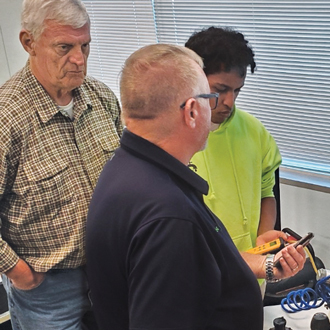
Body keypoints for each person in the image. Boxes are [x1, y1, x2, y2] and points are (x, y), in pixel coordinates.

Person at [85, 43, 305, 330]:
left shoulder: (130, 169)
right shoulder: (168, 216)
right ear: (191, 112)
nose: (221, 104)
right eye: (210, 97)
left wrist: (259, 262)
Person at [0, 0, 122, 329]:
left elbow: (127, 177)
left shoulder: (101, 98)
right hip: (47, 290)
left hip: (113, 272)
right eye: (64, 47)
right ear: (29, 43)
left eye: (85, 45)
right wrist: (17, 270)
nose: (79, 59)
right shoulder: (6, 118)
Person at [185, 27, 285, 252]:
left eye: (237, 91)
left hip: (251, 269)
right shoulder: (174, 138)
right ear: (192, 78)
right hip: (201, 273)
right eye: (220, 90)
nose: (230, 102)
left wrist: (263, 239)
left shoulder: (254, 131)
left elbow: (266, 194)